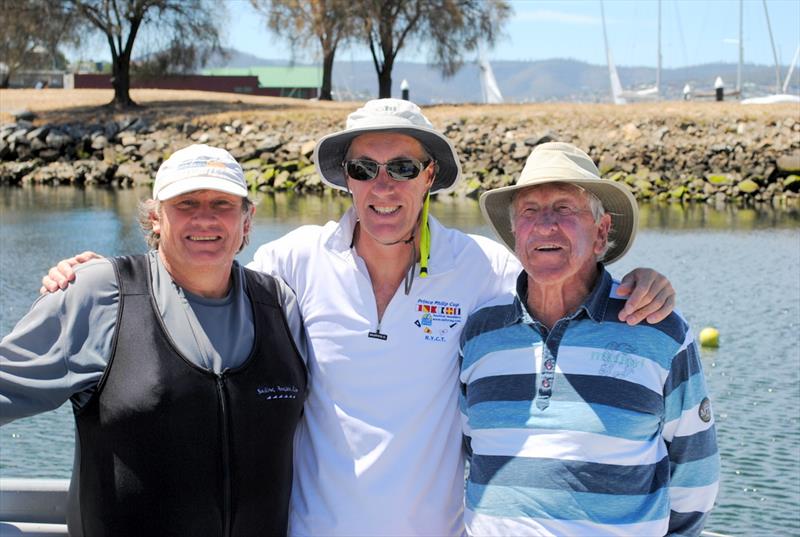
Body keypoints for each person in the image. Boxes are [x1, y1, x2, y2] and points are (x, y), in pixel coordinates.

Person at [40, 100, 676, 536]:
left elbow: (562, 277)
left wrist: (641, 281)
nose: (384, 186)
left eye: (402, 168)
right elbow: (196, 284)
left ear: (430, 176)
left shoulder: (482, 267)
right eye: (365, 169)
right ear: (346, 178)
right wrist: (104, 278)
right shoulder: (291, 261)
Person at [0, 144, 308, 537]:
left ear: (247, 222)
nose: (204, 217)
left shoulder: (280, 306)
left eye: (223, 203)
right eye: (186, 203)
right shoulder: (99, 294)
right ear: (155, 217)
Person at [460, 142, 719, 536]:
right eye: (530, 211)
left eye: (564, 208)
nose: (545, 225)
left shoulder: (657, 330)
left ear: (601, 233)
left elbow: (694, 478)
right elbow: (469, 446)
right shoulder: (480, 332)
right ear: (515, 234)